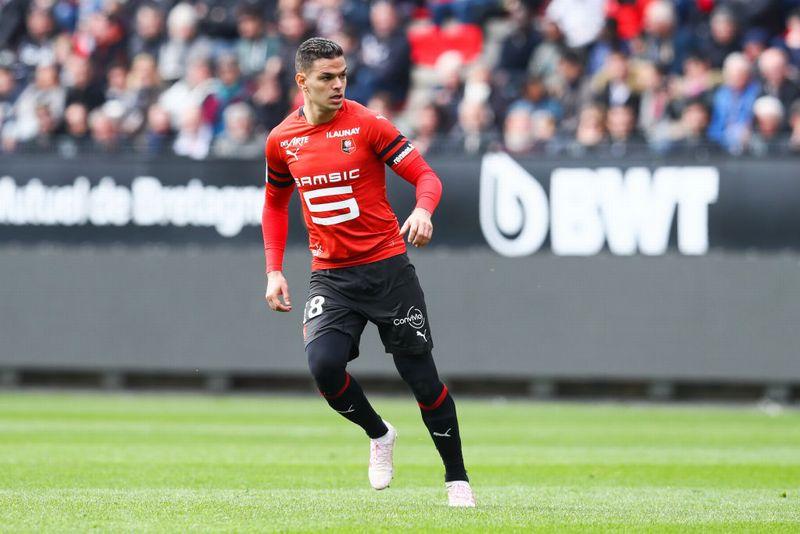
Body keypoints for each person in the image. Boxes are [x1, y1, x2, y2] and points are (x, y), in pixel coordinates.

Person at [262, 37, 475, 508]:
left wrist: (423, 210)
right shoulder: (281, 140)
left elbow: (426, 176)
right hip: (331, 276)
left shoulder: (367, 124)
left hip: (387, 271)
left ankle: (457, 479)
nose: (338, 85)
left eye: (343, 75)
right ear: (302, 81)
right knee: (323, 366)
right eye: (327, 77)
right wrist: (274, 270)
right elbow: (275, 203)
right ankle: (379, 433)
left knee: (422, 379)